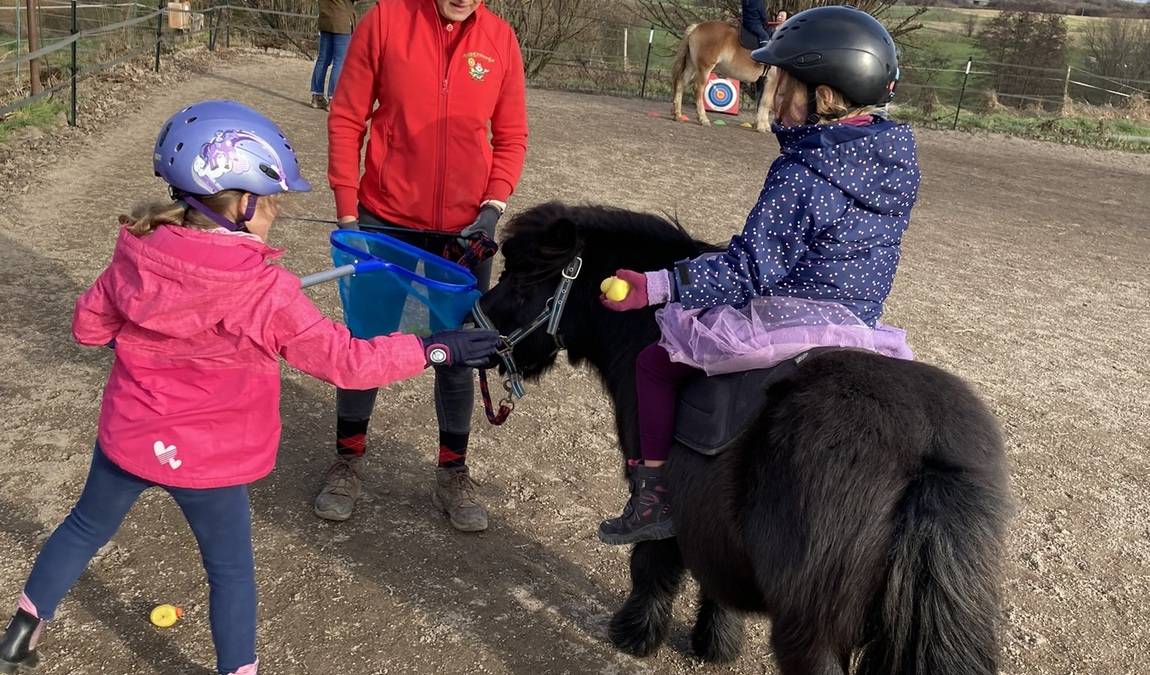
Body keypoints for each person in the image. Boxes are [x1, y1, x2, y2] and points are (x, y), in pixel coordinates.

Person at [0, 100, 501, 675]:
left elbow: (89, 329)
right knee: (230, 572)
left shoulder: (136, 253)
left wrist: (146, 347)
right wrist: (435, 348)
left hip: (130, 438)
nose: (276, 215)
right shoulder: (269, 291)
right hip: (210, 459)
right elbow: (347, 362)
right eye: (272, 203)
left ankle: (19, 636)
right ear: (241, 204)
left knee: (85, 526)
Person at [595, 6, 921, 546]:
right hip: (859, 323)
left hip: (790, 319)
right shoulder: (893, 160)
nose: (771, 91)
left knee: (655, 361)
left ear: (824, 95)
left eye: (784, 81)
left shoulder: (803, 172)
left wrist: (657, 286)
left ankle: (652, 495)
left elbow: (750, 268)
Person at [318, 0, 528, 531]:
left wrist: (492, 207)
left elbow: (511, 135)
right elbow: (347, 117)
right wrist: (349, 213)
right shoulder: (384, 21)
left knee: (457, 352)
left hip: (463, 233)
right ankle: (347, 459)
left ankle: (452, 472)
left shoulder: (501, 40)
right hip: (384, 220)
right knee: (366, 342)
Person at [310, 0, 355, 110]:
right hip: (341, 21)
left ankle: (316, 95)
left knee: (323, 58)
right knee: (339, 61)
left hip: (326, 20)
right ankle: (333, 98)